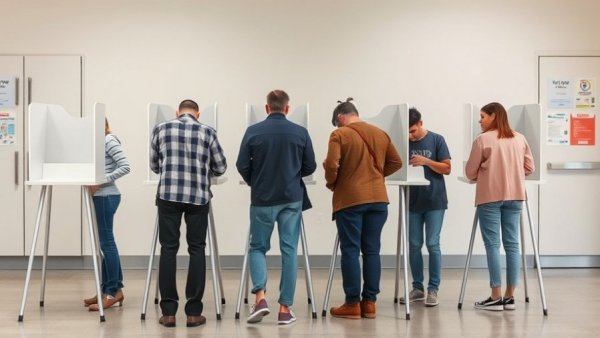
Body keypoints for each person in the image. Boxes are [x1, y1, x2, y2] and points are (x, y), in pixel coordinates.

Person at [236, 89, 316, 325]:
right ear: (287, 108)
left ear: (267, 108)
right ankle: (284, 309)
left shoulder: (253, 131)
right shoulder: (300, 132)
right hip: (291, 199)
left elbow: (242, 164)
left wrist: (255, 181)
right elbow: (310, 167)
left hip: (262, 198)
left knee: (258, 247)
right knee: (289, 250)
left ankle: (260, 297)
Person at [150, 99, 227, 327]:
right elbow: (221, 166)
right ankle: (194, 312)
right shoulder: (208, 132)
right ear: (198, 113)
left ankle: (169, 312)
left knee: (168, 249)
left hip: (168, 197)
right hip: (198, 197)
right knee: (196, 249)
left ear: (177, 112)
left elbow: (155, 165)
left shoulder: (161, 129)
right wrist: (204, 169)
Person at [324, 98, 403, 319]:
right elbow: (397, 162)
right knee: (372, 250)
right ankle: (369, 303)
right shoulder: (380, 133)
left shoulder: (339, 135)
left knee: (350, 250)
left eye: (337, 123)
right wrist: (376, 177)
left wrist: (333, 183)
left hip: (350, 199)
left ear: (341, 117)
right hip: (379, 199)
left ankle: (352, 304)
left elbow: (331, 164)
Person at [465, 102, 534, 311]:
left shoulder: (482, 140)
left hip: (490, 197)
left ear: (494, 116)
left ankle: (495, 296)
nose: (480, 120)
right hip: (515, 196)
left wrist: (484, 172)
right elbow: (529, 168)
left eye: (483, 116)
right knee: (512, 245)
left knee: (493, 245)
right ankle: (509, 297)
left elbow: (470, 172)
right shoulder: (519, 138)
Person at [399, 107, 451, 307]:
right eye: (408, 132)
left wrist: (427, 161)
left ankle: (433, 289)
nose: (411, 136)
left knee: (432, 244)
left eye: (413, 130)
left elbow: (447, 168)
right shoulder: (403, 142)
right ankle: (418, 288)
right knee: (413, 245)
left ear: (421, 123)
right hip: (412, 201)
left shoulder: (437, 139)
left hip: (435, 200)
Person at [85, 118, 131, 311]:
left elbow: (125, 166)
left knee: (107, 245)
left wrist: (100, 180)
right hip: (102, 197)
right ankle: (107, 289)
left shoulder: (108, 140)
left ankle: (112, 292)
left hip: (106, 196)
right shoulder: (98, 143)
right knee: (106, 245)